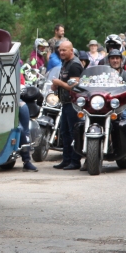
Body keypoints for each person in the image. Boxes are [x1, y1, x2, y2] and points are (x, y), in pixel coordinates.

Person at [51, 41, 83, 170]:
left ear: (71, 50)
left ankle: (75, 161)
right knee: (64, 132)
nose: (61, 52)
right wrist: (55, 85)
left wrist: (59, 82)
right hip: (65, 103)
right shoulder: (65, 63)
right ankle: (66, 159)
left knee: (74, 132)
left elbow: (74, 86)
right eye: (60, 50)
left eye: (64, 50)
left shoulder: (75, 65)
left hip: (73, 103)